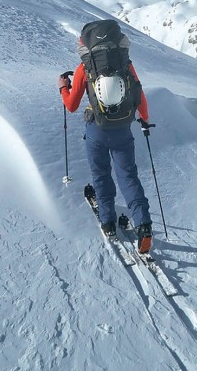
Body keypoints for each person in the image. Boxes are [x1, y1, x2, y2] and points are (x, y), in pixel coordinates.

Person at [59, 20, 153, 253]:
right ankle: (144, 225)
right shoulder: (125, 65)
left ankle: (108, 221)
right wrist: (144, 119)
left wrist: (63, 87)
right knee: (129, 177)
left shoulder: (85, 68)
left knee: (101, 174)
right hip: (123, 129)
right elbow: (139, 95)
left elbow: (71, 105)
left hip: (96, 131)